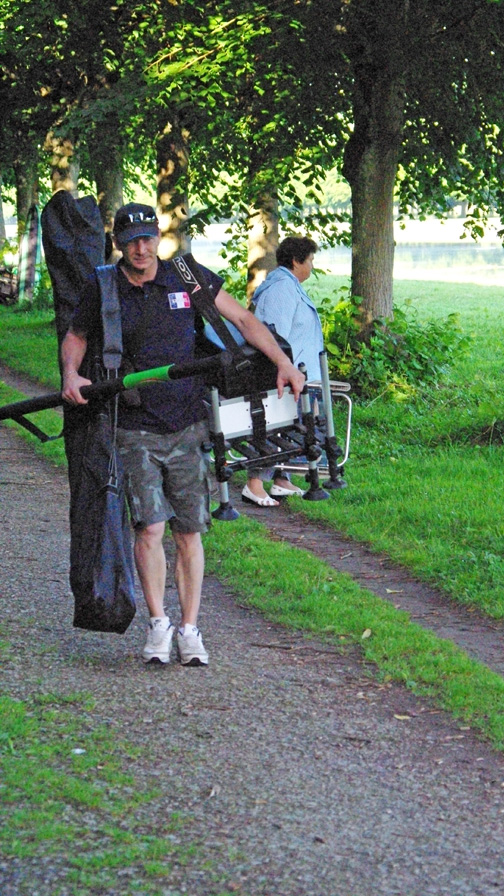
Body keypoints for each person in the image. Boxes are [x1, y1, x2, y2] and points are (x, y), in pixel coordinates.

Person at [61, 203, 305, 666]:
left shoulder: (186, 275)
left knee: (189, 531)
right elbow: (76, 336)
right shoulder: (103, 285)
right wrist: (71, 375)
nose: (141, 247)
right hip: (133, 426)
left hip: (188, 422)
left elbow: (244, 321)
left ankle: (190, 629)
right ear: (118, 242)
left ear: (158, 238)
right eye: (131, 239)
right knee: (149, 528)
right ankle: (159, 624)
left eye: (148, 237)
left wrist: (283, 362)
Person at [243, 235, 324, 507]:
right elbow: (275, 336)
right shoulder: (281, 290)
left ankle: (281, 479)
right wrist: (285, 368)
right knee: (276, 427)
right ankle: (254, 485)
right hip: (288, 374)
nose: (312, 266)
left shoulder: (290, 286)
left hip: (301, 374)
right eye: (310, 260)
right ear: (296, 261)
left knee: (294, 428)